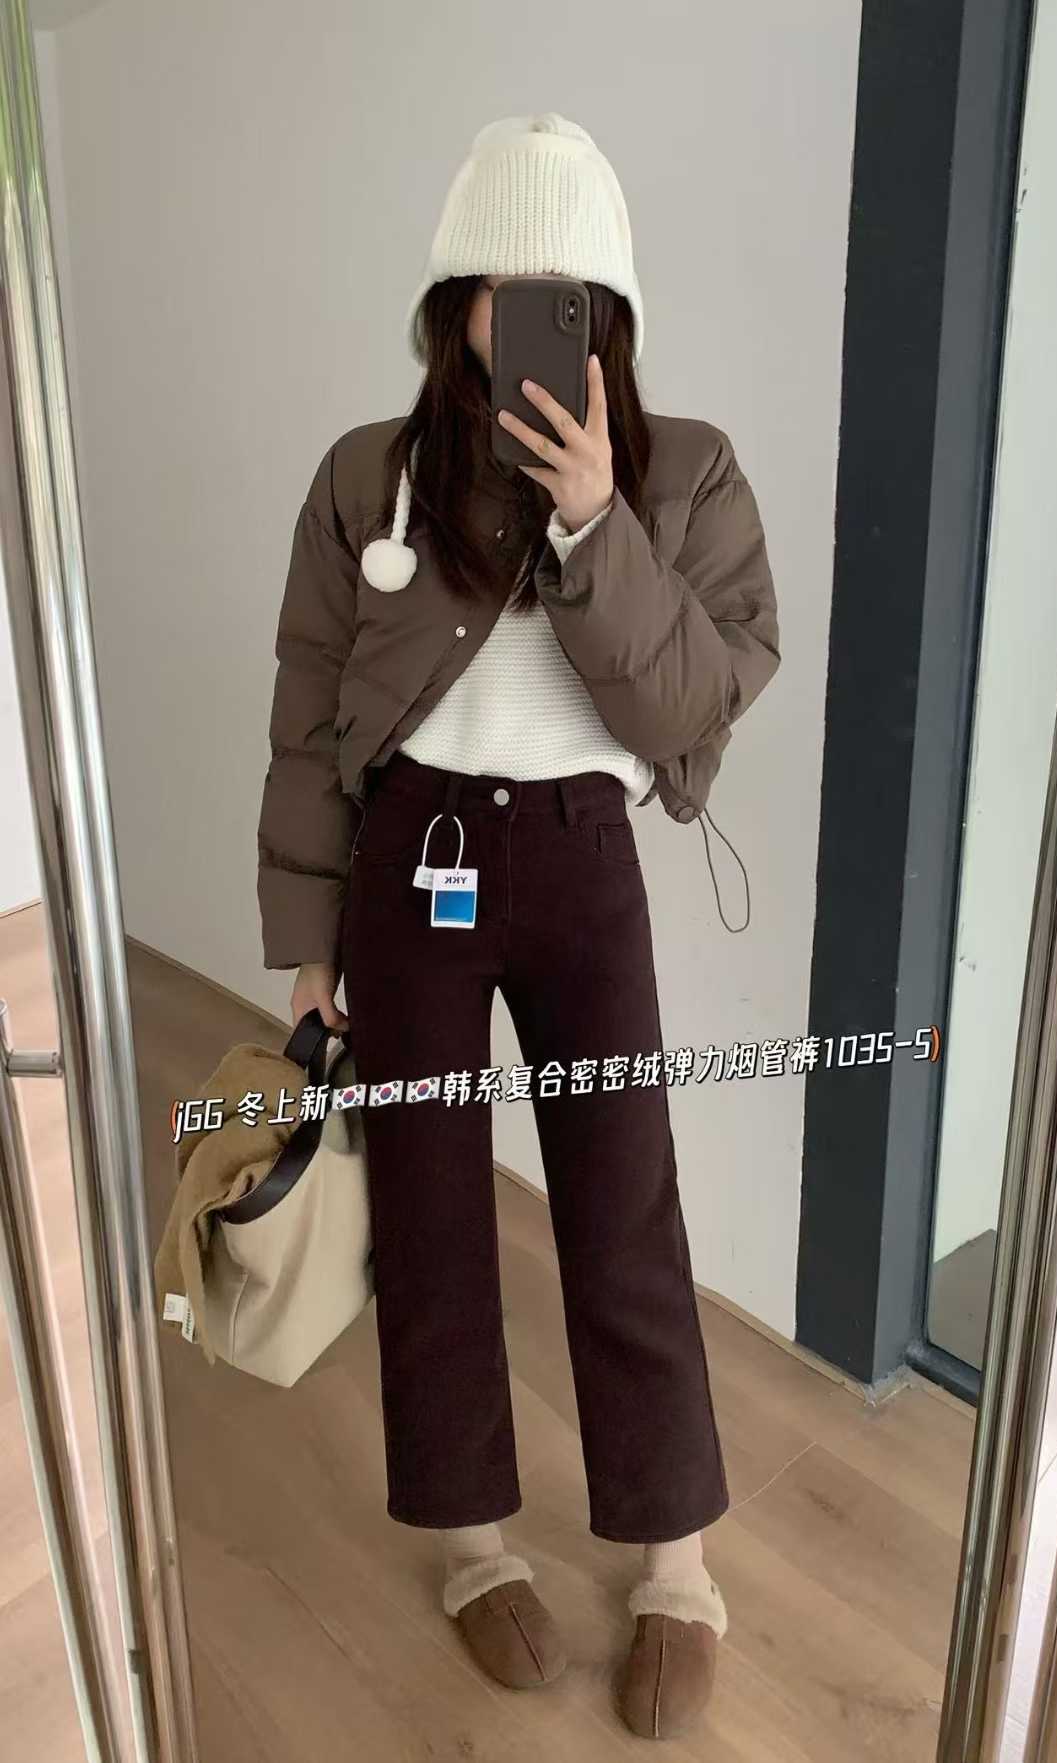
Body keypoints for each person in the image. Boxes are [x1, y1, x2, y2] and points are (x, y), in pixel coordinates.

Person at [256, 112, 780, 1741]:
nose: (533, 310)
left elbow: (696, 700)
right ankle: (474, 1546)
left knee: (624, 1208)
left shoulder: (686, 472)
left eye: (567, 287)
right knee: (428, 1209)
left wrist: (594, 521)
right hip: (411, 863)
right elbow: (309, 717)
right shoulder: (371, 473)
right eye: (503, 280)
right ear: (453, 298)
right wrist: (310, 939)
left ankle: (677, 1567)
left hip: (581, 863)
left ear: (609, 306)